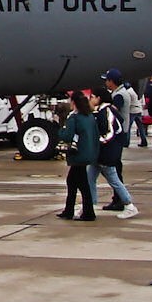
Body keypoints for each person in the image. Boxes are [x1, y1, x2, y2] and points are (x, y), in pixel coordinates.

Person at [89, 87, 138, 218]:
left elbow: (109, 133)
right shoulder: (105, 111)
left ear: (98, 98)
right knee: (90, 179)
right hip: (102, 153)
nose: (90, 100)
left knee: (114, 180)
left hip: (107, 153)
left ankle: (129, 205)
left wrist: (96, 142)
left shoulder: (106, 111)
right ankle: (90, 206)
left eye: (92, 97)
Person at [57, 92, 99, 221]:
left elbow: (67, 136)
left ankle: (87, 212)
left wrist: (60, 128)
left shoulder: (74, 118)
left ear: (74, 103)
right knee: (74, 182)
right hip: (88, 153)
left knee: (81, 184)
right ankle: (69, 210)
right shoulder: (90, 117)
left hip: (78, 155)